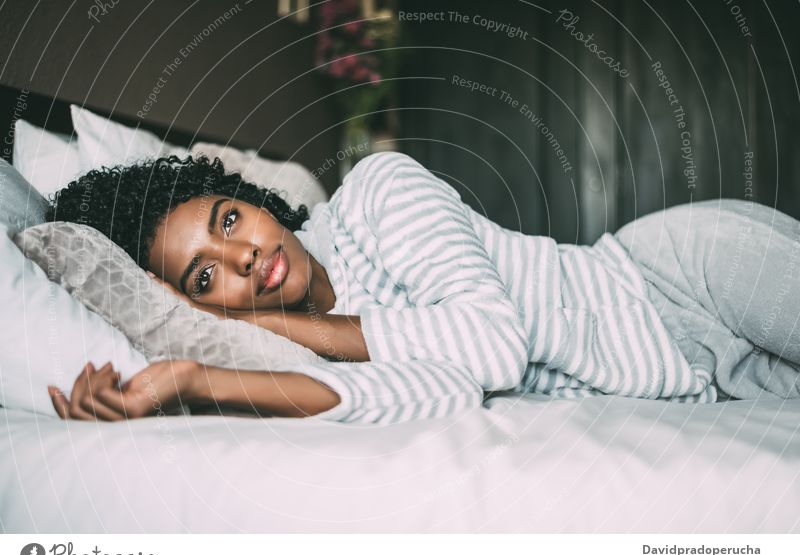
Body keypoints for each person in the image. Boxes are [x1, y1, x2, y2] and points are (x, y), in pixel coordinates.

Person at [45, 151, 800, 424]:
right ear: (193, 303)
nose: (243, 254)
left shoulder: (379, 190)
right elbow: (439, 394)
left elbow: (495, 348)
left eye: (230, 217)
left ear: (260, 201)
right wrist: (198, 379)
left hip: (675, 279)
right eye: (205, 274)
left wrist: (284, 330)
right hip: (693, 381)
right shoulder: (297, 357)